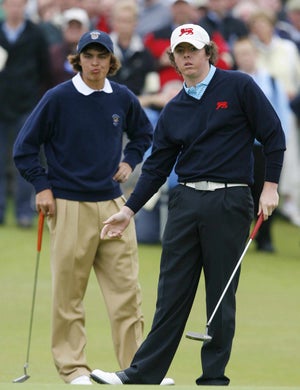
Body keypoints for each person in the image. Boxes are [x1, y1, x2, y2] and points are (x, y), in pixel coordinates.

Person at [90, 23, 286, 386]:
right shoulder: (174, 108)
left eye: (192, 50)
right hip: (185, 201)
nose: (186, 57)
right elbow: (157, 167)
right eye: (180, 52)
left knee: (220, 294)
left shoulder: (239, 86)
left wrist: (270, 187)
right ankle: (144, 373)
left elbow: (273, 135)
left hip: (230, 199)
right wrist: (128, 210)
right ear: (173, 59)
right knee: (171, 292)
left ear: (207, 52)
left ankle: (213, 377)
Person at [13, 30, 153, 385]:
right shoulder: (58, 98)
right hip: (68, 205)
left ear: (111, 61)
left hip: (112, 206)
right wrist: (42, 187)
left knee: (127, 292)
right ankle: (73, 367)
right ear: (78, 60)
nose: (95, 63)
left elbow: (143, 134)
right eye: (88, 56)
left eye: (101, 56)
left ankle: (137, 368)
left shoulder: (121, 97)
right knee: (69, 295)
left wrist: (130, 160)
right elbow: (24, 148)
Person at [232, 36, 291, 251]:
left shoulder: (272, 81)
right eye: (240, 54)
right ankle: (240, 234)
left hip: (263, 146)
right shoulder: (232, 82)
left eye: (247, 53)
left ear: (255, 55)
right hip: (239, 146)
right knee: (241, 190)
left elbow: (281, 117)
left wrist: (279, 144)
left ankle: (264, 238)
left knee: (265, 189)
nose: (244, 58)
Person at [0, 0, 52, 227]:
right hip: (0, 106)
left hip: (26, 107)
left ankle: (23, 212)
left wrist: (35, 102)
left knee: (25, 158)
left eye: (19, 4)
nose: (15, 8)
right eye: (11, 4)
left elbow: (45, 71)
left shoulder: (36, 34)